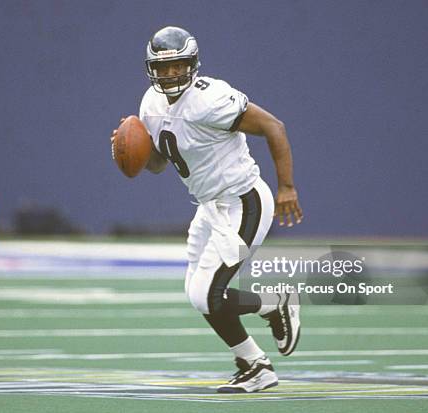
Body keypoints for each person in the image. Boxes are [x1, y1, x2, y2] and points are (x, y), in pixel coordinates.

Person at [111, 26, 303, 393]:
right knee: (196, 292)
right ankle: (256, 358)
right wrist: (128, 149)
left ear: (192, 64)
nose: (169, 74)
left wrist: (287, 187)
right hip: (209, 206)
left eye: (177, 66)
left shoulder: (211, 98)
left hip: (243, 200)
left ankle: (272, 317)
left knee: (207, 294)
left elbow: (274, 127)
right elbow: (158, 163)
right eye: (162, 68)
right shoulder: (149, 104)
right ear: (151, 69)